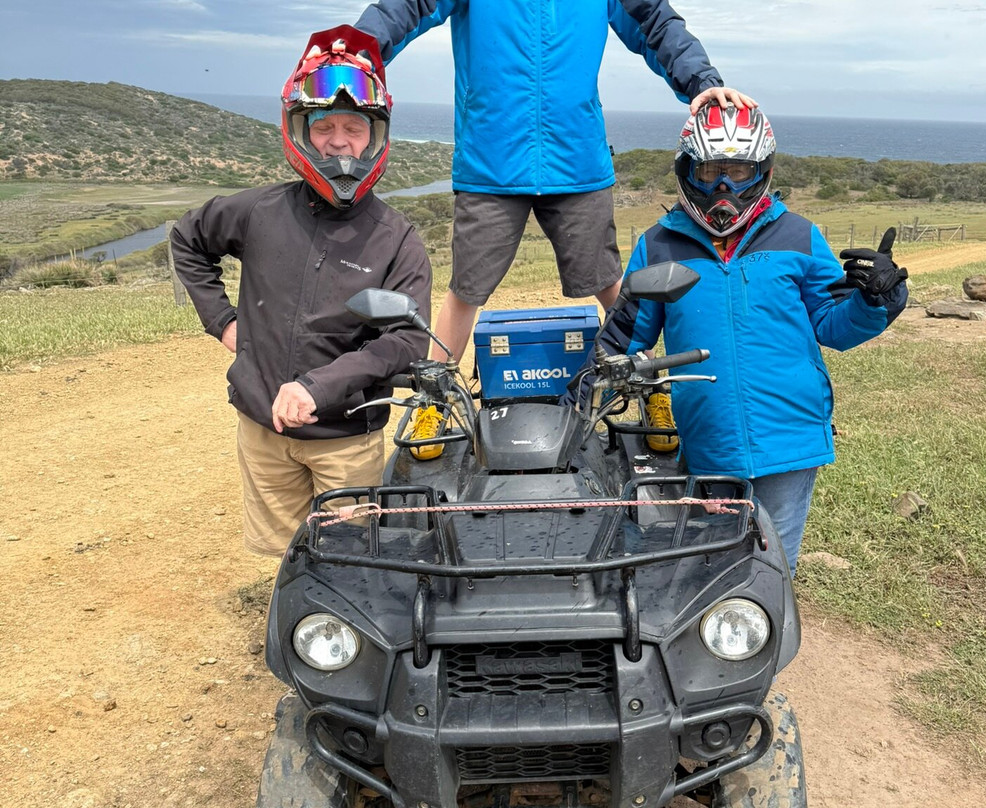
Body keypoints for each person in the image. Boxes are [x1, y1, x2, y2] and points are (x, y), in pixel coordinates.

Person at [349, 0, 756, 458]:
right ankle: (436, 398)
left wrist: (702, 82)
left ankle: (646, 384)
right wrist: (354, 51)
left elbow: (654, 21)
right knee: (465, 291)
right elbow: (409, 6)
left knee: (610, 285)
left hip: (576, 161)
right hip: (491, 164)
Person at [590, 103, 909, 575]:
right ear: (688, 170)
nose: (724, 185)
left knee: (770, 570)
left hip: (791, 439)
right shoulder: (658, 244)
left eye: (738, 170)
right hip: (708, 442)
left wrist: (878, 301)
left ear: (761, 170)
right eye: (711, 169)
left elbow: (832, 325)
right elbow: (623, 337)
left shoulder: (798, 235)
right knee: (706, 569)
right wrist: (578, 394)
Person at [170, 27, 432, 556]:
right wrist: (222, 322)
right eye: (324, 126)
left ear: (375, 135)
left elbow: (406, 342)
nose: (339, 141)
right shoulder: (259, 212)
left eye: (354, 127)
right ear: (301, 131)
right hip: (261, 427)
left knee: (349, 560)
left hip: (345, 439)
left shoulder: (396, 237)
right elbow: (187, 239)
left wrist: (319, 384)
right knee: (284, 558)